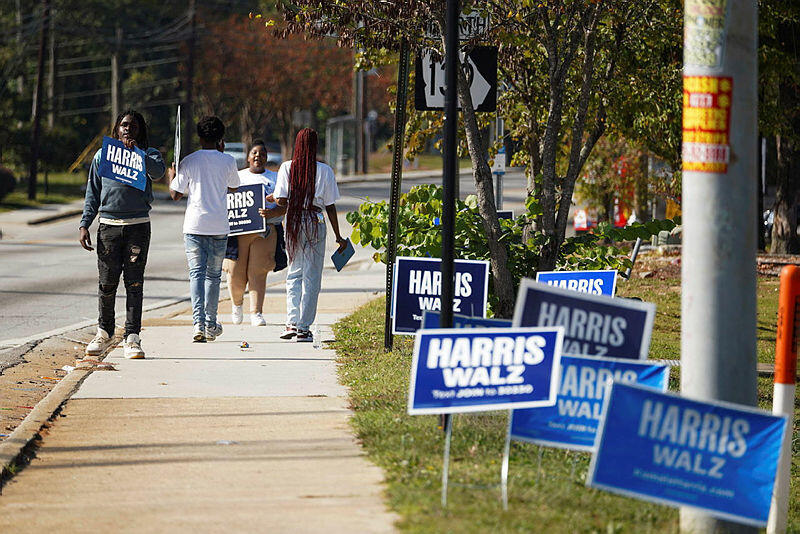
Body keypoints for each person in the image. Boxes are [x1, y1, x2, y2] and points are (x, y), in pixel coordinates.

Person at [79, 110, 166, 359]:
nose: (128, 130)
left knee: (134, 284)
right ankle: (104, 332)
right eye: (124, 126)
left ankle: (132, 337)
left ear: (140, 131)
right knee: (107, 283)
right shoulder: (103, 156)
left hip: (137, 226)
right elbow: (92, 193)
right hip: (108, 226)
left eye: (134, 127)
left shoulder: (148, 154)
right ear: (117, 129)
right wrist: (85, 223)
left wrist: (136, 151)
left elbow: (158, 172)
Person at [169, 116, 240, 342]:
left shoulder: (189, 161)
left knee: (196, 275)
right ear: (221, 139)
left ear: (199, 137)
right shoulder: (227, 160)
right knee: (214, 276)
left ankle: (198, 324)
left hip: (194, 225)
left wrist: (173, 174)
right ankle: (211, 323)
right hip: (219, 225)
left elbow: (175, 195)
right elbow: (234, 186)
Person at [273, 128, 347, 342]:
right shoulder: (325, 171)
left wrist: (275, 199)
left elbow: (281, 201)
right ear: (315, 146)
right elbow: (330, 206)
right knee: (312, 276)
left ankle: (291, 323)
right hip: (316, 221)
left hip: (294, 221)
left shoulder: (287, 167)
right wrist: (339, 236)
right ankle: (304, 328)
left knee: (294, 273)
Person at [223, 140, 286, 326]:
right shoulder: (236, 177)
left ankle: (256, 312)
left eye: (262, 153)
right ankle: (237, 305)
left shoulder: (275, 179)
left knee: (258, 271)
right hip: (238, 232)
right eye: (254, 153)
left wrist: (273, 212)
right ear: (248, 157)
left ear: (267, 158)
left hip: (266, 230)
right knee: (234, 272)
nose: (258, 156)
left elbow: (285, 205)